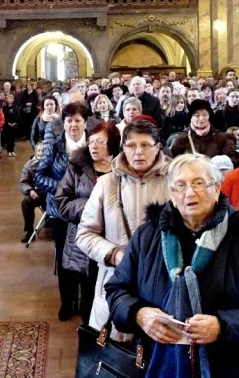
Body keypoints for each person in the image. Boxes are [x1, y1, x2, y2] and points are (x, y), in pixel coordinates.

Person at [104, 154, 239, 376]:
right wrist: (139, 315)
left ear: (217, 188)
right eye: (180, 185)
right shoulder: (147, 236)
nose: (189, 193)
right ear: (171, 193)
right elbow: (116, 290)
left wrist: (223, 326)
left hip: (228, 366)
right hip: (156, 363)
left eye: (199, 183)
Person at [76, 120, 172, 333]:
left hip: (162, 282)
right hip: (116, 281)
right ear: (123, 148)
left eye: (145, 145)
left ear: (158, 147)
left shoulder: (174, 183)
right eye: (131, 145)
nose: (138, 152)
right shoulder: (106, 184)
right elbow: (85, 233)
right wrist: (114, 254)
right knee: (114, 346)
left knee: (158, 341)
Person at [55, 122, 120, 324]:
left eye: (100, 142)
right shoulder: (77, 168)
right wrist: (93, 206)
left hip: (114, 240)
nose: (94, 146)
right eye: (91, 142)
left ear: (112, 144)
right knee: (87, 288)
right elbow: (62, 202)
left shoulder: (123, 169)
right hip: (84, 238)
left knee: (109, 292)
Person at [34, 102, 89, 321]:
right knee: (64, 257)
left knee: (87, 256)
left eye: (78, 120)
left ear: (85, 123)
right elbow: (39, 175)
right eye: (69, 121)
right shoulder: (56, 146)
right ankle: (67, 302)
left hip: (87, 211)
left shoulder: (93, 145)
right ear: (63, 124)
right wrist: (61, 190)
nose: (73, 125)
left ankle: (85, 303)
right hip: (60, 211)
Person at [170, 99, 237, 165]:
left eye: (205, 115)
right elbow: (173, 162)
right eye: (197, 115)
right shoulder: (182, 138)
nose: (201, 119)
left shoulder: (220, 137)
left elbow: (232, 159)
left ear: (209, 116)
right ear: (191, 117)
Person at [19, 142, 47, 243]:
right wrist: (30, 190)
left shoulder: (53, 163)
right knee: (26, 202)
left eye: (43, 151)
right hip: (37, 193)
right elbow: (23, 182)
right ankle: (29, 232)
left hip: (51, 193)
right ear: (35, 152)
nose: (40, 153)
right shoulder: (29, 164)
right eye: (38, 151)